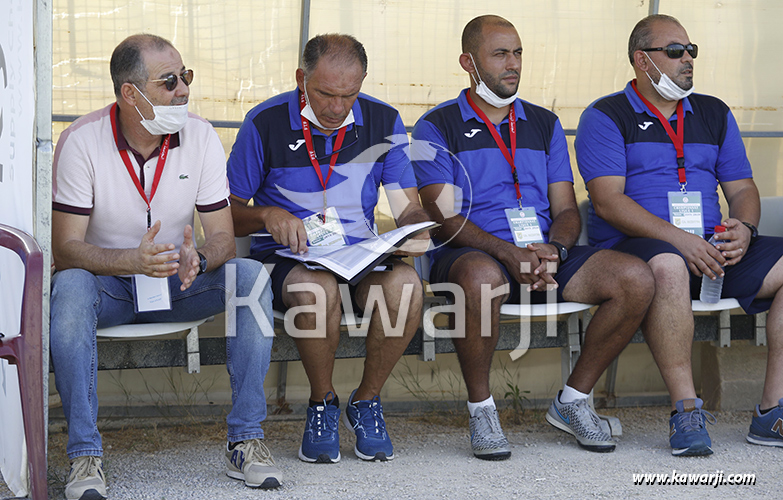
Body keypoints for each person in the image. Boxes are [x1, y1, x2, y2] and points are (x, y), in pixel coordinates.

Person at [410, 15, 655, 460]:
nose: (513, 64)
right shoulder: (436, 126)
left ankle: (574, 400)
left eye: (518, 52)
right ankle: (482, 410)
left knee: (634, 278)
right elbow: (443, 218)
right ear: (468, 62)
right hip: (474, 252)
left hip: (541, 256)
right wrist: (509, 252)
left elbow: (564, 210)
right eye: (500, 54)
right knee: (483, 277)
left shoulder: (543, 123)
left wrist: (555, 250)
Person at [51, 34, 281, 500]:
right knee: (70, 287)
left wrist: (202, 255)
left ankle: (246, 441)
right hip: (110, 290)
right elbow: (66, 250)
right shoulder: (81, 141)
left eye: (186, 76)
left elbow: (222, 237)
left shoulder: (199, 136)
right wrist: (130, 261)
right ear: (130, 94)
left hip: (181, 282)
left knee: (252, 277)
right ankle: (84, 455)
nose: (184, 90)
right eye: (169, 81)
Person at [575, 14, 783, 455]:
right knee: (668, 265)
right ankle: (686, 410)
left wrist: (743, 228)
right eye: (674, 51)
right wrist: (679, 240)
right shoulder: (605, 115)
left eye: (691, 50)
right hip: (638, 249)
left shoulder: (713, 112)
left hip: (712, 248)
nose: (687, 59)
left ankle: (772, 412)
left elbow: (743, 188)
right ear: (642, 60)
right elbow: (609, 201)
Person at [227, 33, 430, 464]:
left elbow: (405, 203)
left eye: (349, 95)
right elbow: (226, 212)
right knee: (313, 289)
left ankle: (367, 401)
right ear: (301, 79)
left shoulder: (383, 119)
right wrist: (267, 216)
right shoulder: (263, 122)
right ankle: (323, 403)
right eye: (324, 94)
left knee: (407, 286)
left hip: (358, 251)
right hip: (288, 255)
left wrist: (415, 227)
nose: (337, 108)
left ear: (363, 83)